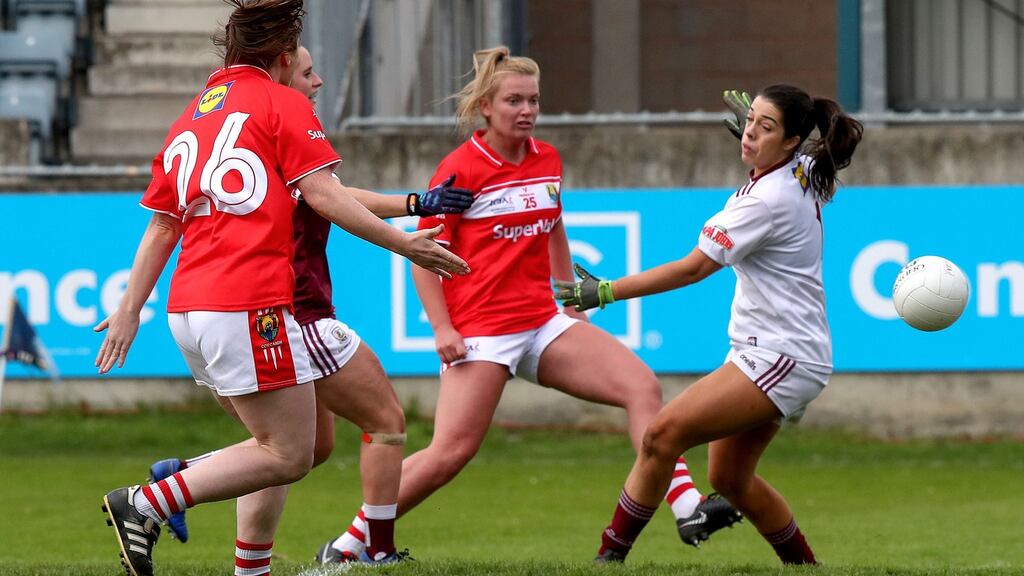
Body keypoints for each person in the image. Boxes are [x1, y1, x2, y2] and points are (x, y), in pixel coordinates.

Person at [316, 46, 741, 564]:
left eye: (533, 100)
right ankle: (347, 546)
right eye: (514, 100)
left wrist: (571, 300)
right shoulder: (461, 169)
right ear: (486, 108)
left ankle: (688, 505)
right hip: (481, 332)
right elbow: (423, 256)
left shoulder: (546, 159)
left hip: (542, 320)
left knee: (641, 386)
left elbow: (554, 226)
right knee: (451, 454)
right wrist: (442, 329)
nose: (527, 110)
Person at [94, 3, 470, 575]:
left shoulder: (197, 113)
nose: (313, 80)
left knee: (290, 446)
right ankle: (147, 502)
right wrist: (407, 243)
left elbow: (164, 222)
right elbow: (326, 195)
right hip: (250, 303)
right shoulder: (280, 104)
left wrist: (129, 309)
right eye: (305, 65)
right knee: (288, 451)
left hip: (189, 308)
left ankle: (249, 566)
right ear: (284, 57)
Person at [556, 85, 863, 564]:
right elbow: (792, 151)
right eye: (750, 121)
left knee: (660, 436)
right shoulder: (802, 168)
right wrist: (765, 129)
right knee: (729, 479)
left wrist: (609, 290)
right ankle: (806, 567)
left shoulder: (762, 202)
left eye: (766, 127)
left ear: (792, 142)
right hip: (779, 352)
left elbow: (693, 268)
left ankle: (608, 559)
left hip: (780, 356)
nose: (749, 134)